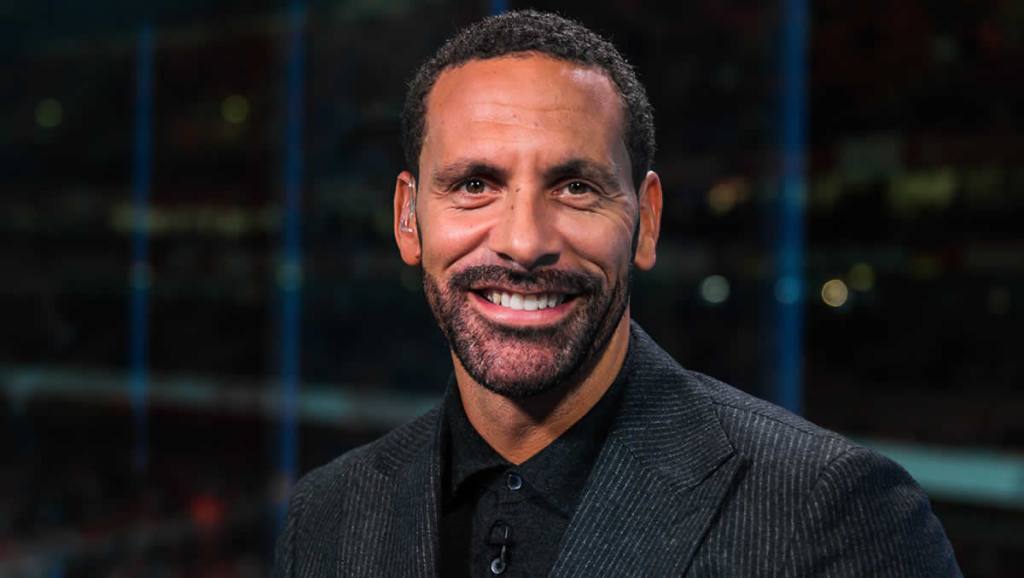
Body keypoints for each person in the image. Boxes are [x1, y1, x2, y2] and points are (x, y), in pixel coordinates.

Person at [273, 10, 961, 577]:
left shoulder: (831, 514)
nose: (523, 241)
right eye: (475, 185)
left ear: (646, 221)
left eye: (575, 187)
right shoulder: (327, 516)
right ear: (408, 218)